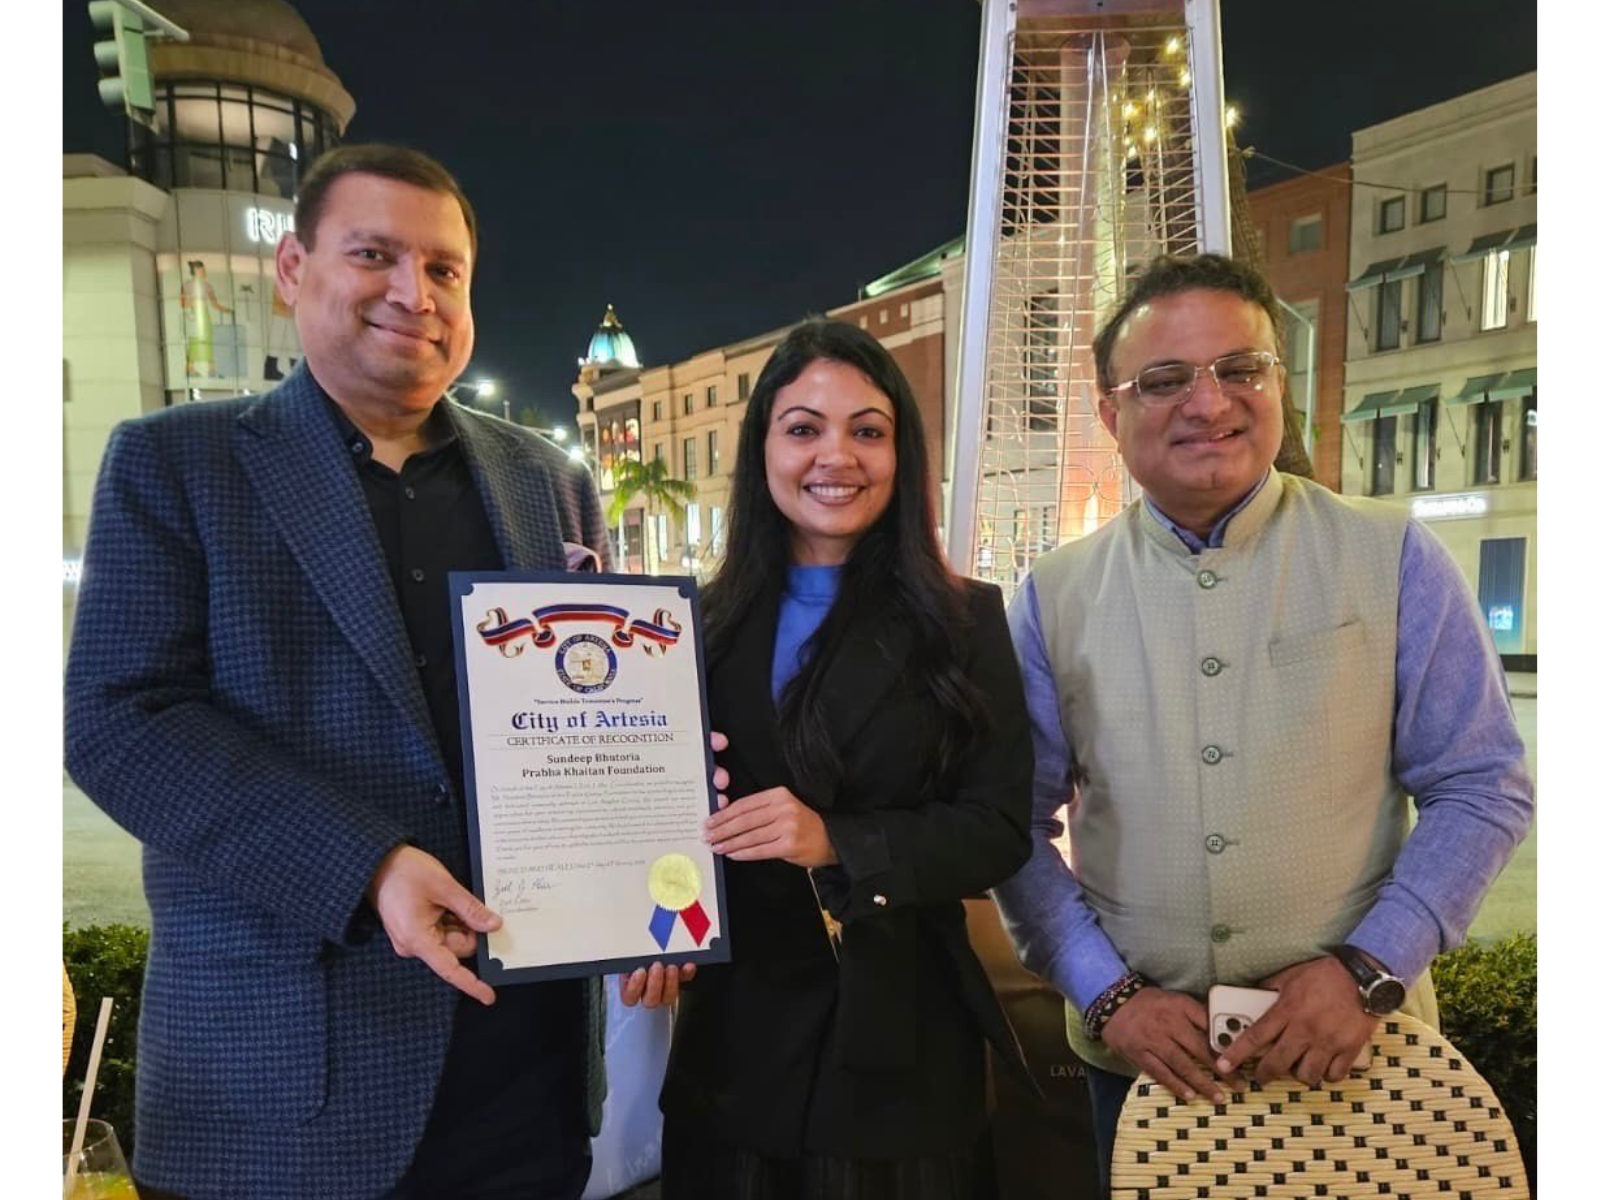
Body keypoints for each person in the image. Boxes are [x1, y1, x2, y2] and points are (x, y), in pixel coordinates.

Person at [64, 143, 677, 1200]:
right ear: (294, 270)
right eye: (375, 255)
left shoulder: (547, 480)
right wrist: (368, 867)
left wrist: (647, 852)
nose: (415, 293)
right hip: (281, 1090)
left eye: (444, 270)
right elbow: (120, 722)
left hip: (520, 1081)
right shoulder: (176, 462)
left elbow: (600, 708)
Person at [992, 253, 1534, 1193]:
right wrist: (1109, 995)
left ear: (1279, 384)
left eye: (1239, 369)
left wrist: (1370, 972)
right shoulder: (1053, 596)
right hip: (1147, 1070)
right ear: (1111, 411)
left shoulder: (1391, 555)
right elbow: (1011, 824)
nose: (1207, 403)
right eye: (1164, 380)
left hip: (1363, 1054)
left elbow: (1482, 783)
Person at [637, 319, 1035, 1198]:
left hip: (900, 1055)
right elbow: (658, 821)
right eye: (804, 427)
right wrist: (647, 927)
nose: (837, 456)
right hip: (733, 1054)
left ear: (902, 451)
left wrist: (838, 842)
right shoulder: (686, 628)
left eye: (868, 429)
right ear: (763, 447)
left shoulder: (966, 621)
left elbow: (1000, 829)